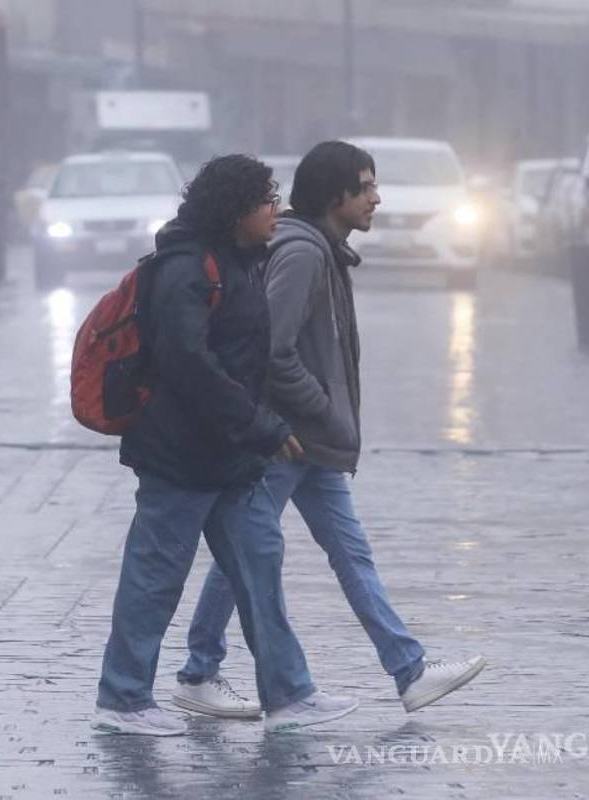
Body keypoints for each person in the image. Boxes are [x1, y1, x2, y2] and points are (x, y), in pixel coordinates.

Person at [172, 142, 486, 721]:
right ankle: (199, 671)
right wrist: (320, 407)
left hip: (309, 441)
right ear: (333, 195)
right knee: (245, 553)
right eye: (365, 187)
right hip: (286, 439)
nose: (376, 198)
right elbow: (273, 347)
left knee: (345, 552)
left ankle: (410, 671)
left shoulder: (323, 249)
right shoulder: (303, 253)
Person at [92, 155, 359, 736]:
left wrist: (255, 431)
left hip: (233, 459)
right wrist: (262, 425)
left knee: (260, 566)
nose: (276, 211)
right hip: (180, 456)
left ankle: (288, 694)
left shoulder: (244, 262)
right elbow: (191, 366)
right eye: (266, 201)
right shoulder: (185, 269)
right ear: (235, 211)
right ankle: (123, 698)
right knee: (154, 577)